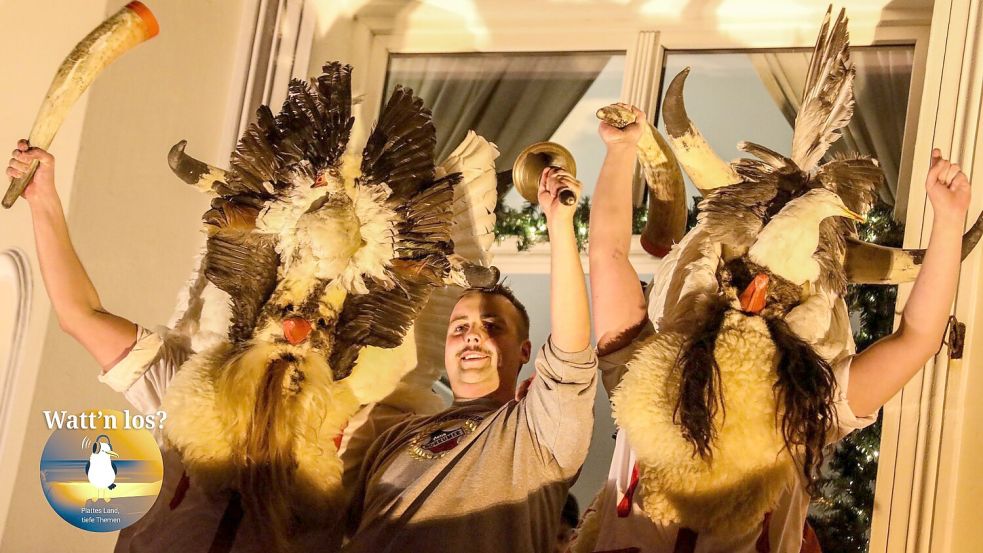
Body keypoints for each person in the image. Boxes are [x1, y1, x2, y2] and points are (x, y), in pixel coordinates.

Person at [6, 140, 439, 552]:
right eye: (286, 311)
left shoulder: (357, 434)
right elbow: (80, 315)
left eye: (322, 323)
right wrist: (43, 196)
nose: (298, 332)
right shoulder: (183, 390)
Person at [581, 107, 973, 552]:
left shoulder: (804, 408)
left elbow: (918, 338)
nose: (755, 301)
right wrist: (620, 149)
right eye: (741, 280)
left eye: (778, 299)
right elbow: (608, 257)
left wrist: (948, 219)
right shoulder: (650, 373)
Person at [342, 167, 597, 553]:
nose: (473, 334)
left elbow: (571, 354)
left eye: (492, 326)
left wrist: (559, 224)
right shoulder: (392, 435)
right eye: (459, 327)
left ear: (524, 351)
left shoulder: (539, 430)